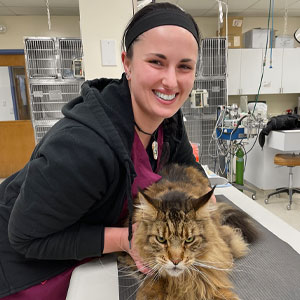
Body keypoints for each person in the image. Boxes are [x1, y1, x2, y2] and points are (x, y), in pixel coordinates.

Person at [0, 2, 215, 299]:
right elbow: (25, 238)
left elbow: (189, 167)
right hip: (32, 266)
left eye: (184, 66)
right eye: (156, 62)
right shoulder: (82, 148)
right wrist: (127, 239)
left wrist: (203, 204)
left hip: (95, 250)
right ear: (127, 63)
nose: (171, 81)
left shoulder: (168, 120)